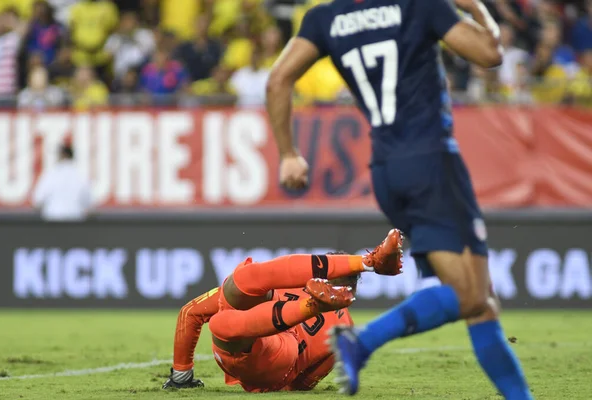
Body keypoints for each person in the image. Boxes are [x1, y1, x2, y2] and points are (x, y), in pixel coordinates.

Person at [266, 0, 533, 399]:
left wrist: (288, 153)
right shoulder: (419, 6)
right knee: (471, 296)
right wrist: (476, 7)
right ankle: (364, 341)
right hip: (432, 161)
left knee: (479, 302)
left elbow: (277, 80)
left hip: (387, 170)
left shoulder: (325, 18)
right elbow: (490, 55)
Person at [162, 230, 404, 392]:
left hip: (261, 351)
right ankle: (366, 265)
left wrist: (181, 374)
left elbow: (190, 313)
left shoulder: (292, 280)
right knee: (235, 310)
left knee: (228, 315)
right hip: (275, 360)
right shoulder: (345, 331)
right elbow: (304, 383)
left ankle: (363, 266)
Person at [32, 143, 93, 222]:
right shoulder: (81, 176)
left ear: (63, 155)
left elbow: (37, 201)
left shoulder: (51, 175)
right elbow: (90, 205)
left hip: (52, 223)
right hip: (75, 223)